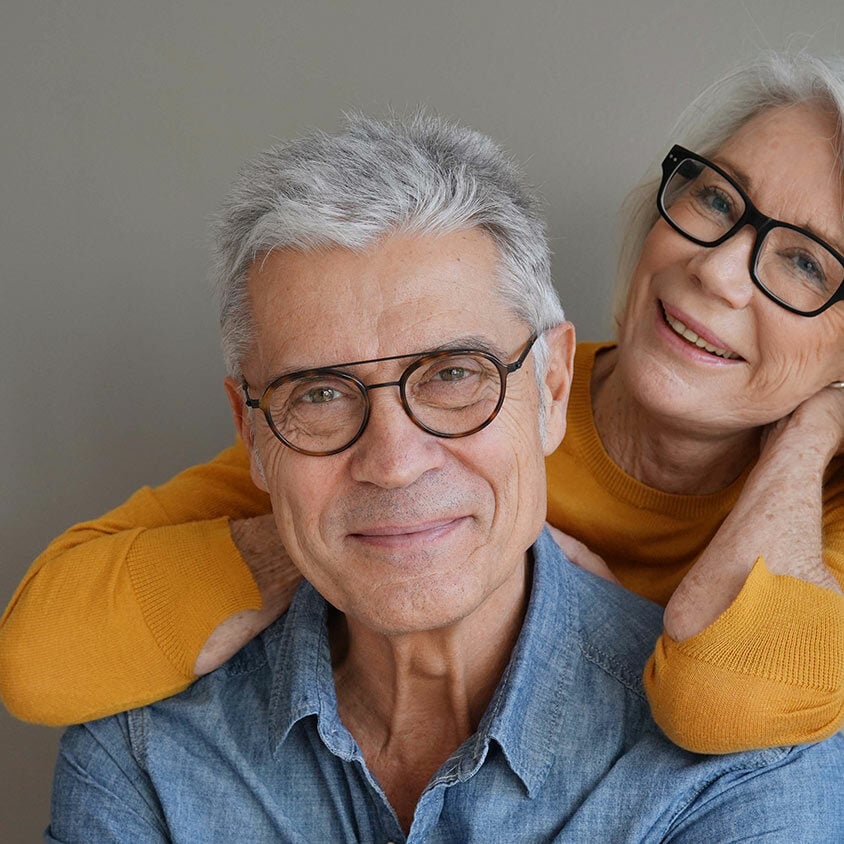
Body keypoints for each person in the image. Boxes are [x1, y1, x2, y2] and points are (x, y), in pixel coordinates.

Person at [2, 51, 844, 753]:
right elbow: (41, 656)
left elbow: (723, 703)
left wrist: (814, 431)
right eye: (716, 200)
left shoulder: (830, 512)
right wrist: (396, 530)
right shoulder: (470, 385)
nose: (718, 269)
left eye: (807, 264)